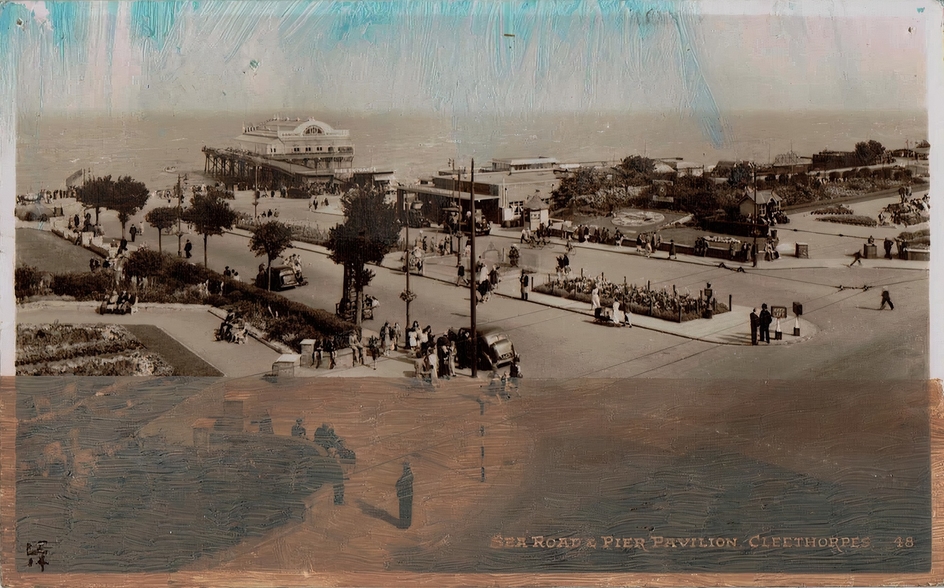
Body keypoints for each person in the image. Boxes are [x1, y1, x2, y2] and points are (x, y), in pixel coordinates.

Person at [396, 462, 414, 529]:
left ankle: (404, 524)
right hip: (407, 496)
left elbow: (399, 484)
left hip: (405, 496)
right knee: (407, 510)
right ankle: (406, 524)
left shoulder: (407, 477)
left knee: (404, 511)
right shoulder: (409, 476)